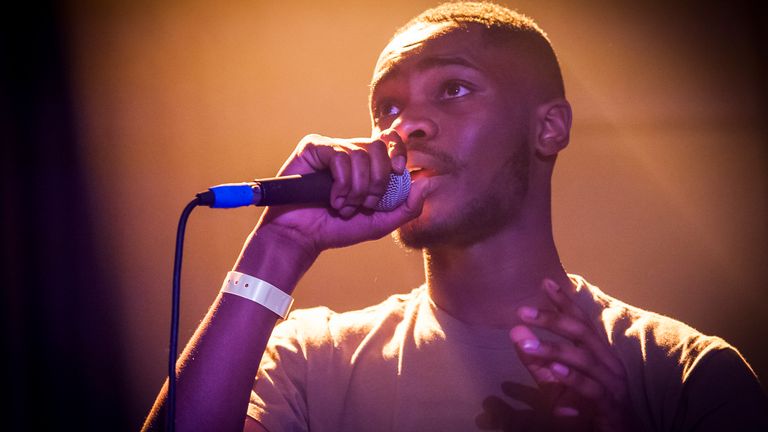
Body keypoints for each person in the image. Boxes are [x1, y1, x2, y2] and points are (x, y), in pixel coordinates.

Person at [143, 2, 768, 431]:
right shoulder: (310, 357)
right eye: (385, 108)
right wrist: (277, 247)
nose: (403, 126)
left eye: (454, 89)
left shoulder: (687, 372)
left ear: (548, 127)